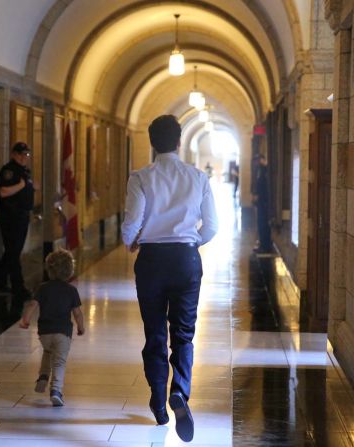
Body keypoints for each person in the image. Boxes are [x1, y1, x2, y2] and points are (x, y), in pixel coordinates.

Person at [121, 115, 218, 442]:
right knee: (184, 332)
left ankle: (157, 399)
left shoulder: (140, 177)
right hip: (185, 260)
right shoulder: (197, 177)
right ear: (179, 142)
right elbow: (212, 227)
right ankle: (180, 391)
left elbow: (130, 225)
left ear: (152, 143)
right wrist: (192, 244)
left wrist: (133, 240)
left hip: (151, 261)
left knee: (154, 332)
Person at [19, 248, 85, 406]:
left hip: (45, 333)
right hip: (63, 333)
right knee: (59, 362)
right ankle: (56, 390)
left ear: (49, 269)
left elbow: (32, 305)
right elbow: (77, 313)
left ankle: (43, 376)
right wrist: (81, 327)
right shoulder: (71, 290)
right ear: (69, 271)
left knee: (48, 351)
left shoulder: (43, 288)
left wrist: (25, 320)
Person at [0, 142, 35, 302]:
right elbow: (3, 192)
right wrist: (21, 185)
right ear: (14, 154)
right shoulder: (9, 171)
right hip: (11, 217)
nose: (25, 158)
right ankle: (19, 287)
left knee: (12, 251)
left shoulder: (24, 171)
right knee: (13, 251)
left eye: (27, 155)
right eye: (22, 154)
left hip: (21, 216)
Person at [252, 154, 272, 253]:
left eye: (257, 161)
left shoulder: (264, 170)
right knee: (261, 224)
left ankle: (265, 246)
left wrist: (259, 196)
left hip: (264, 202)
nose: (256, 163)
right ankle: (263, 244)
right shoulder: (260, 170)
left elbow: (263, 186)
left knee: (263, 224)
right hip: (261, 201)